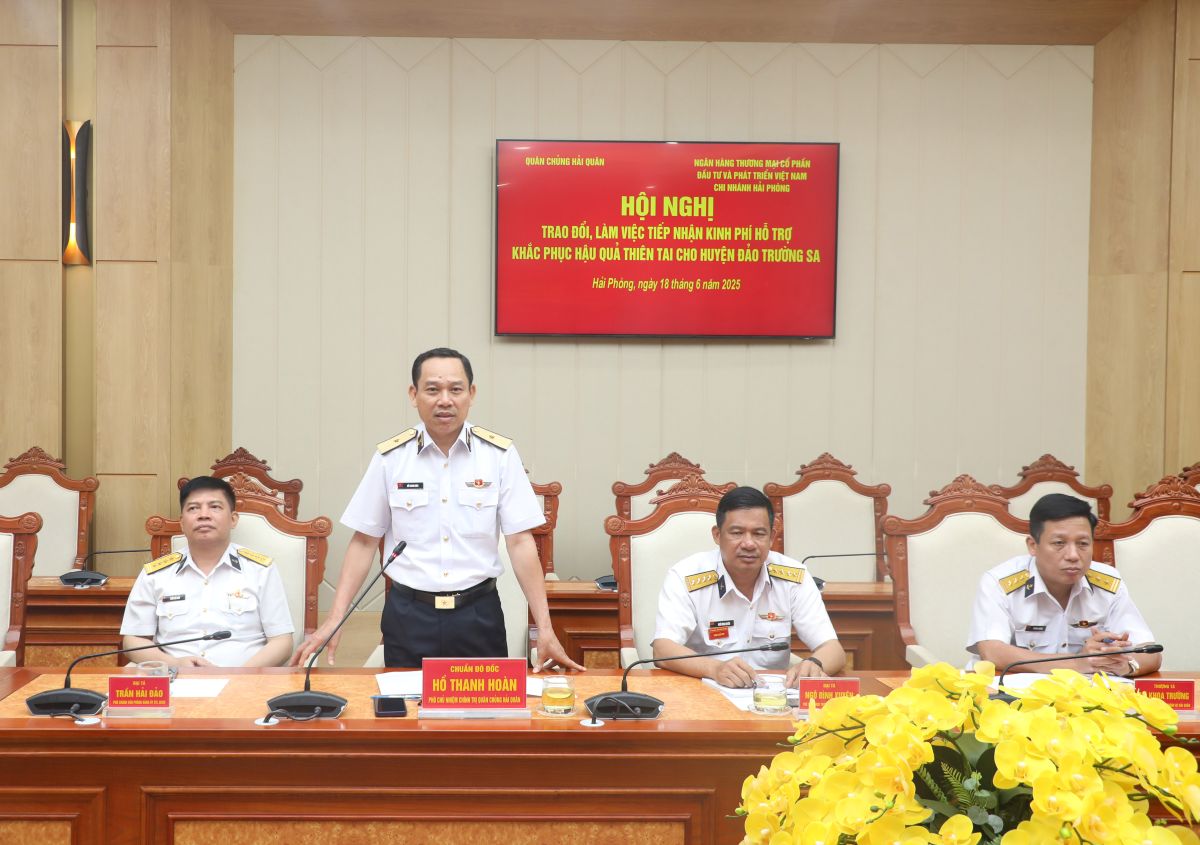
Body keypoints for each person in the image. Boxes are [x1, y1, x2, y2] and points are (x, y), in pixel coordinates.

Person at [291, 347, 582, 671]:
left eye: (455, 389)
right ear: (413, 394)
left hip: (478, 615)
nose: (445, 400)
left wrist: (545, 626)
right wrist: (336, 617)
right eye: (432, 389)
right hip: (408, 616)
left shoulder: (498, 455)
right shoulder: (391, 458)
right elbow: (364, 541)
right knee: (406, 703)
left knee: (483, 704)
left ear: (471, 394)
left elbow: (520, 542)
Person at [651, 486, 846, 688]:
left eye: (759, 534)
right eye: (737, 533)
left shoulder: (794, 578)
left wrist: (814, 663)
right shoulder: (686, 576)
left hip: (772, 697)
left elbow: (833, 649)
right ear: (717, 535)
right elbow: (662, 649)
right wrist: (714, 669)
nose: (749, 544)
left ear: (771, 537)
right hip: (704, 690)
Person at [968, 493, 1160, 676]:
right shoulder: (1000, 583)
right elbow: (992, 652)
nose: (1073, 555)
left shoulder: (1108, 583)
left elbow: (1151, 652)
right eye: (1059, 543)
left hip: (1087, 694)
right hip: (1015, 693)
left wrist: (1125, 665)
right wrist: (1076, 663)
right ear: (1033, 546)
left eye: (1083, 544)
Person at [120, 476, 295, 667]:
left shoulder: (260, 570)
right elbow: (133, 640)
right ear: (182, 523)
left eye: (215, 507)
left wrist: (237, 676)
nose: (204, 515)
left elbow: (282, 642)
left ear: (233, 519)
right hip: (175, 678)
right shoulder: (156, 574)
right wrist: (173, 663)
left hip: (243, 680)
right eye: (193, 508)